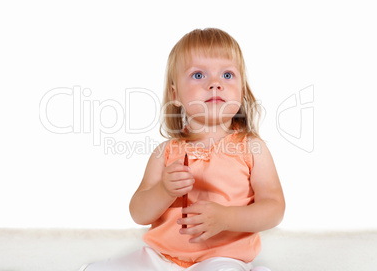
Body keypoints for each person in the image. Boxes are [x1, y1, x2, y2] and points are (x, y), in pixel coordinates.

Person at [81, 28, 285, 271]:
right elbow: (139, 213)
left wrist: (226, 218)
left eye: (227, 74)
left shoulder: (251, 148)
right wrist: (164, 190)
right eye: (198, 75)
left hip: (223, 257)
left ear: (242, 89)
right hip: (162, 257)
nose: (215, 84)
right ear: (175, 94)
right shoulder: (166, 152)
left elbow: (274, 209)